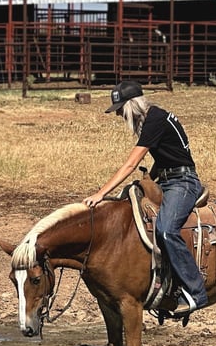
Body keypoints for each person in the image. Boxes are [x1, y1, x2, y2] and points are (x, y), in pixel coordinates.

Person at [83, 81, 208, 315]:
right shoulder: (153, 119)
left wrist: (101, 194)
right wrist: (148, 180)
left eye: (121, 109)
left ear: (133, 105)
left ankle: (196, 292)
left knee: (166, 229)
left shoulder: (154, 119)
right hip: (167, 179)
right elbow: (165, 156)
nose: (119, 114)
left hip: (183, 182)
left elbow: (131, 163)